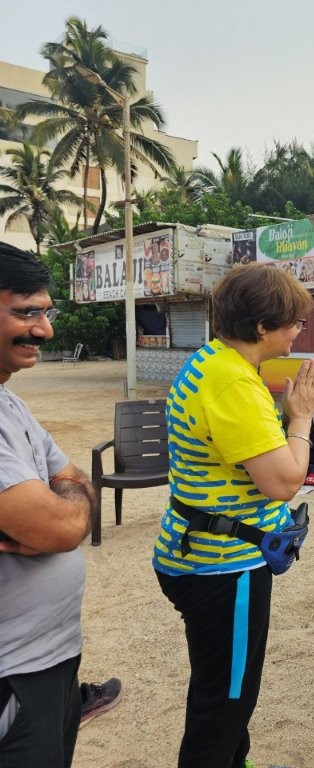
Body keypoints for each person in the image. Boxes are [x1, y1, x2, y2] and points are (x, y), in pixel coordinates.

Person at [153, 263, 314, 768]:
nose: (299, 330)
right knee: (225, 703)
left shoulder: (213, 362)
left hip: (198, 550)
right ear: (263, 326)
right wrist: (301, 416)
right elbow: (283, 482)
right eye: (294, 321)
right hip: (224, 567)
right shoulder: (233, 384)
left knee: (225, 688)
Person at [0, 242, 95, 767]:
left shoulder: (10, 402)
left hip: (48, 662)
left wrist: (65, 499)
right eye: (26, 313)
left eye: (45, 313)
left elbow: (75, 481)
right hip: (12, 676)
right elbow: (61, 528)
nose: (44, 330)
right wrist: (64, 509)